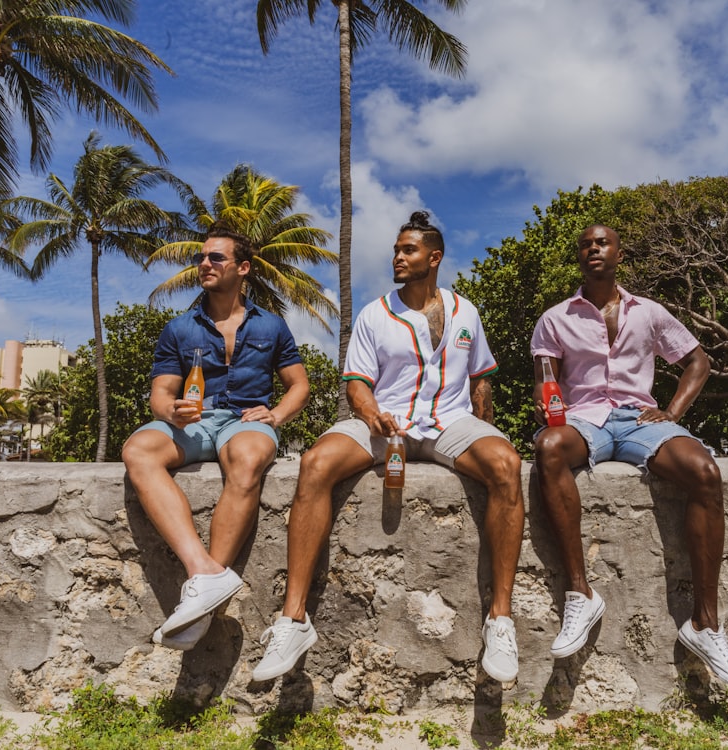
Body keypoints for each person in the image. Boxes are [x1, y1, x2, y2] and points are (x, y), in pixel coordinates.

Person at [250, 211, 525, 683]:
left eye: (408, 250)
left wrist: (486, 433)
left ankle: (500, 620)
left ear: (434, 257)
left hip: (449, 423)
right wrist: (372, 413)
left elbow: (481, 382)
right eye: (396, 250)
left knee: (506, 464)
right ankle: (292, 619)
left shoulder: (466, 312)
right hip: (385, 423)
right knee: (315, 463)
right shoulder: (375, 314)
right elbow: (357, 383)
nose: (397, 257)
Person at [529, 224, 728, 692]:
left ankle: (705, 625)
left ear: (618, 252)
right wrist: (544, 398)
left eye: (602, 242)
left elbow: (698, 362)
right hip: (585, 420)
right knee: (548, 449)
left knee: (704, 472)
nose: (593, 248)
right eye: (585, 243)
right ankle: (580, 594)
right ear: (579, 256)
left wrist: (671, 411)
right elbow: (544, 376)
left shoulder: (649, 312)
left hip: (639, 420)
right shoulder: (555, 318)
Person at [122, 223, 310, 651]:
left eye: (216, 258)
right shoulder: (180, 328)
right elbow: (160, 396)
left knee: (247, 459)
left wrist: (276, 414)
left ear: (242, 268)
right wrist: (173, 411)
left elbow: (299, 385)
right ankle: (204, 573)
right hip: (194, 422)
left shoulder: (272, 326)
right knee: (137, 450)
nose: (204, 264)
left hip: (246, 420)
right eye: (201, 258)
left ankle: (202, 602)